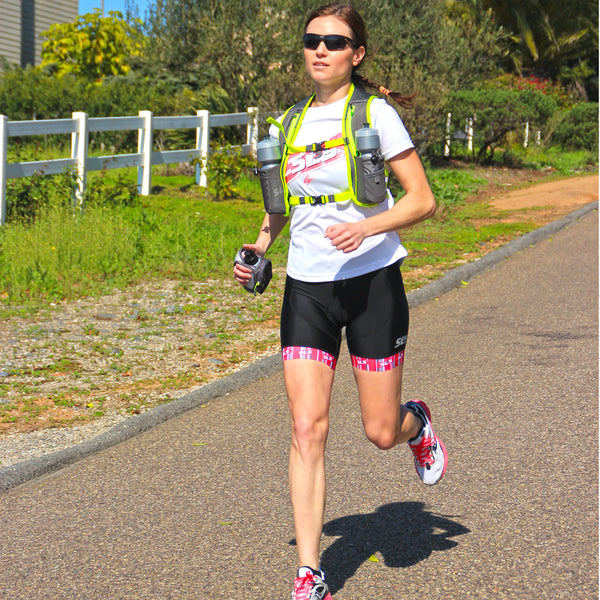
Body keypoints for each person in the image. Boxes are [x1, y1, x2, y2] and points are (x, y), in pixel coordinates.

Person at [233, 4, 448, 599]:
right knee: (306, 426)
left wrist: (370, 228)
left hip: (373, 283)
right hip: (308, 289)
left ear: (357, 55)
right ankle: (310, 572)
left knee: (380, 430)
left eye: (335, 41)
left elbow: (423, 200)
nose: (320, 49)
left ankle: (418, 425)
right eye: (312, 40)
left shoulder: (377, 114)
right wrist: (256, 248)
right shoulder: (289, 124)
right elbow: (280, 209)